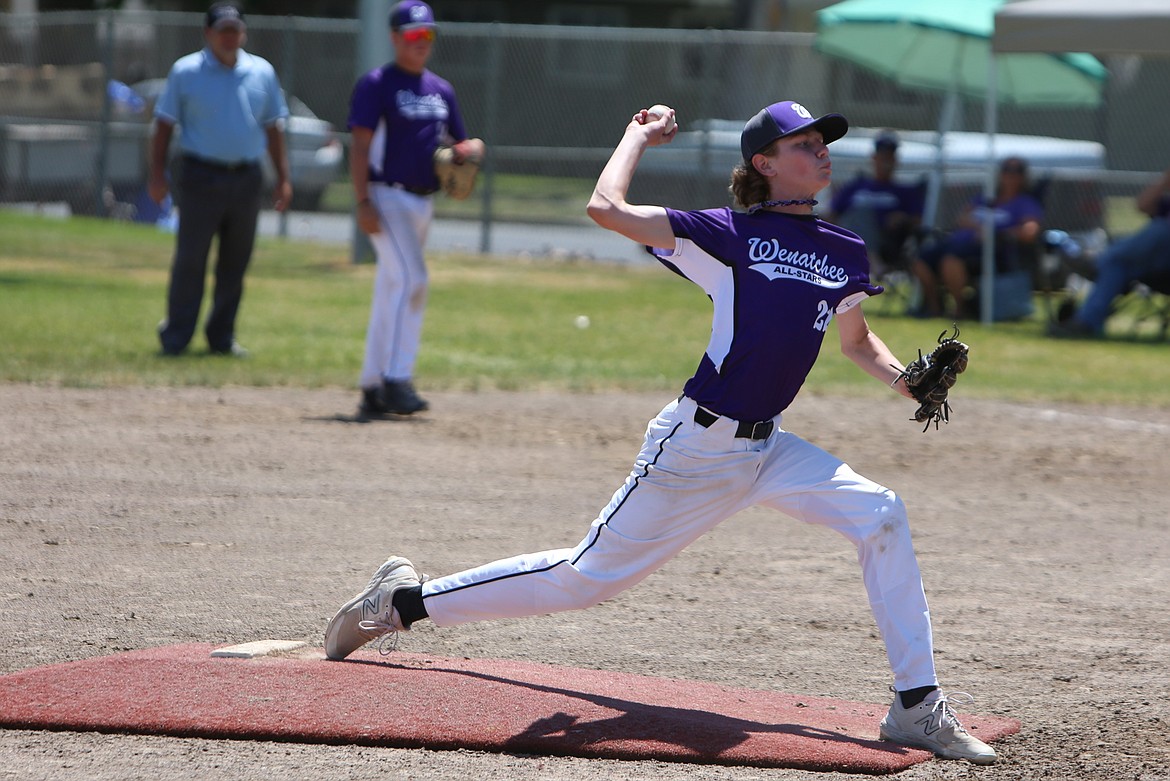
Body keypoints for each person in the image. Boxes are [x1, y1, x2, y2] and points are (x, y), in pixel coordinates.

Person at [323, 100, 999, 765]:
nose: (819, 147)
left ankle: (915, 704)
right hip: (695, 450)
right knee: (583, 579)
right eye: (801, 142)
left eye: (821, 138)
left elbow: (856, 339)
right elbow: (604, 209)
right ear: (763, 163)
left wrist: (906, 382)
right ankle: (400, 601)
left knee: (882, 514)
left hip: (768, 449)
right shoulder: (725, 235)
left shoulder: (842, 249)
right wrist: (635, 137)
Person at [349, 0, 476, 417]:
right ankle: (396, 379)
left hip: (423, 203)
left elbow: (458, 142)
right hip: (386, 197)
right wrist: (362, 200)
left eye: (428, 35)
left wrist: (467, 149)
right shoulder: (377, 84)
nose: (421, 42)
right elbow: (362, 145)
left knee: (392, 289)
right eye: (413, 35)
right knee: (413, 279)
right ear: (395, 37)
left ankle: (372, 385)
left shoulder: (441, 90)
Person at [149, 2, 291, 357]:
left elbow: (274, 128)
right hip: (200, 175)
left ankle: (221, 337)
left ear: (243, 33)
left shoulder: (261, 72)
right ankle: (177, 335)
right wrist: (156, 174)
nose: (229, 37)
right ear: (208, 34)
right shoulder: (186, 71)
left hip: (246, 177)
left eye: (235, 30)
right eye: (222, 30)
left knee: (235, 262)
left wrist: (283, 178)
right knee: (191, 259)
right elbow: (164, 125)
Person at [910, 157, 1043, 319]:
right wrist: (980, 227)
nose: (1010, 176)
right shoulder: (987, 198)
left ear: (1023, 177)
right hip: (958, 241)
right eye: (1006, 170)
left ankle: (960, 309)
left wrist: (996, 233)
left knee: (950, 261)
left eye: (1016, 172)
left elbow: (1030, 231)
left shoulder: (1025, 203)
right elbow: (962, 218)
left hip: (990, 249)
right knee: (921, 260)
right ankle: (934, 307)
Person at [1050, 165, 1170, 338]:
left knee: (1159, 229)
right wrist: (1165, 180)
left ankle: (1098, 262)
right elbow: (1142, 205)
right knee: (1115, 266)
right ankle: (1085, 323)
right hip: (1154, 266)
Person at [826, 132, 923, 279]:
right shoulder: (856, 186)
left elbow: (917, 221)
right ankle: (872, 261)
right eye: (882, 156)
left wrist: (903, 219)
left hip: (885, 242)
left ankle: (871, 260)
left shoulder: (904, 191)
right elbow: (832, 214)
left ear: (896, 161)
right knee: (859, 213)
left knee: (862, 213)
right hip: (846, 236)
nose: (885, 161)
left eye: (889, 157)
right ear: (874, 158)